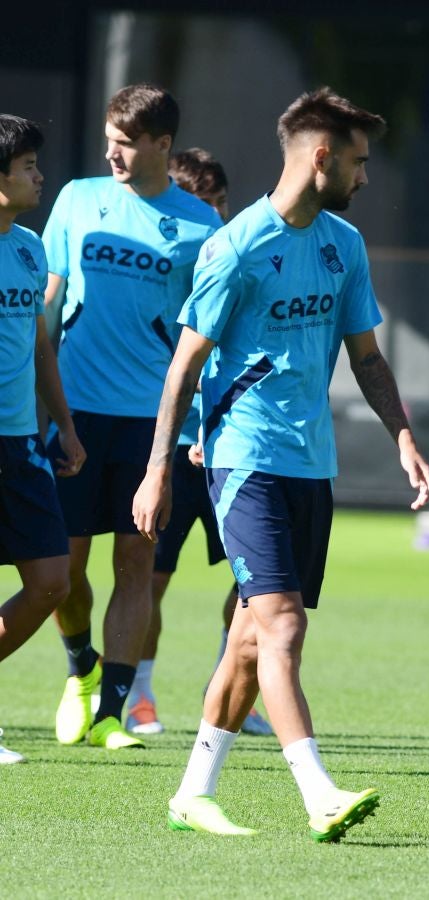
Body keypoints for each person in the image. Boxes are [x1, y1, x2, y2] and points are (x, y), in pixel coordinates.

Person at [131, 87, 429, 841]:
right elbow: (184, 366)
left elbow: (367, 357)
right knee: (283, 627)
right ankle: (318, 791)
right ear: (321, 158)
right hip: (244, 461)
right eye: (358, 162)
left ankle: (192, 793)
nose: (365, 177)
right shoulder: (235, 248)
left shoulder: (344, 245)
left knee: (248, 641)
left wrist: (401, 436)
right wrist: (159, 468)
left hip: (310, 466)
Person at [43, 84, 222, 750]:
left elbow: (208, 336)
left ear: (162, 145)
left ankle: (113, 712)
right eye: (108, 141)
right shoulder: (77, 199)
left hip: (152, 423)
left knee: (135, 562)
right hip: (74, 413)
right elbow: (48, 304)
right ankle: (81, 668)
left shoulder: (202, 226)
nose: (112, 154)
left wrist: (201, 424)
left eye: (125, 143)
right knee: (62, 571)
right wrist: (35, 406)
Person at [124, 147, 271, 738]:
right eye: (204, 204)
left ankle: (229, 690)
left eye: (222, 204)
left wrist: (218, 428)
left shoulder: (239, 263)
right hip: (175, 451)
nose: (215, 217)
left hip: (229, 446)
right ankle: (139, 695)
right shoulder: (170, 269)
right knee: (151, 577)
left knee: (255, 582)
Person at [0, 115, 86, 763]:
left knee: (53, 581)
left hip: (21, 440)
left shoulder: (31, 249)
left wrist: (65, 425)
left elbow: (38, 347)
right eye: (28, 166)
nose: (40, 176)